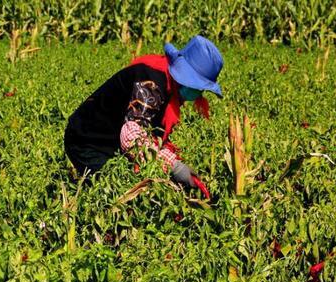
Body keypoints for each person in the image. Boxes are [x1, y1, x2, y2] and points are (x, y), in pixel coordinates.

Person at [64, 35, 223, 197]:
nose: (200, 93)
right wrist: (174, 166)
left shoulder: (167, 81)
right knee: (116, 196)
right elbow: (132, 137)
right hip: (87, 141)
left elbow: (149, 134)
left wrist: (175, 164)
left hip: (109, 142)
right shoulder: (151, 84)